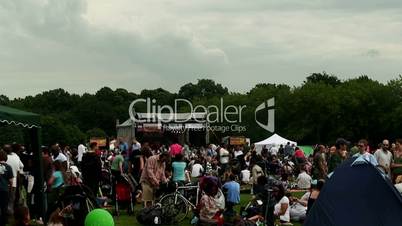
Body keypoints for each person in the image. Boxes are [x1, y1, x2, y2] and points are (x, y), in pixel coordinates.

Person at [5, 144, 24, 216]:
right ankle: (10, 214)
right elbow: (22, 166)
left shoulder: (3, 158)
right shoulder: (16, 157)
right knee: (11, 200)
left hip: (4, 182)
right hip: (13, 182)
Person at [0, 150, 13, 226]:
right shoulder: (8, 167)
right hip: (5, 189)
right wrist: (10, 189)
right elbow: (11, 181)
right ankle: (3, 222)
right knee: (4, 207)